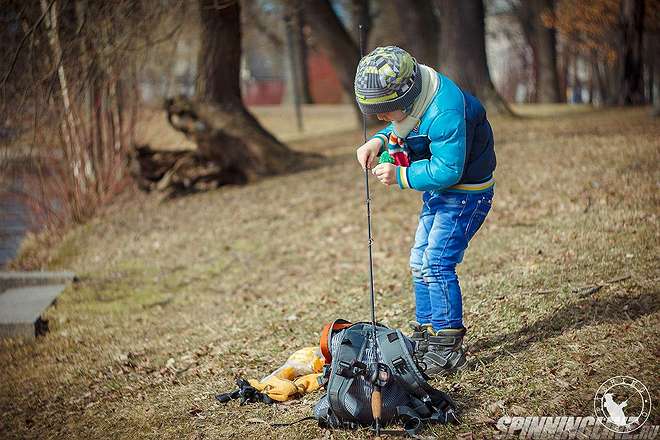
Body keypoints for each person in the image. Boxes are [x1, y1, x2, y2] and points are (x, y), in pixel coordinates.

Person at [354, 46, 496, 376]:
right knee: (419, 261)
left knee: (437, 262)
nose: (380, 118)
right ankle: (424, 335)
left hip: (464, 196)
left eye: (384, 111)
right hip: (438, 193)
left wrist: (401, 175)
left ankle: (447, 347)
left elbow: (449, 169)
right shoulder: (415, 100)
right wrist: (378, 140)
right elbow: (402, 127)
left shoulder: (445, 111)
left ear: (406, 97)